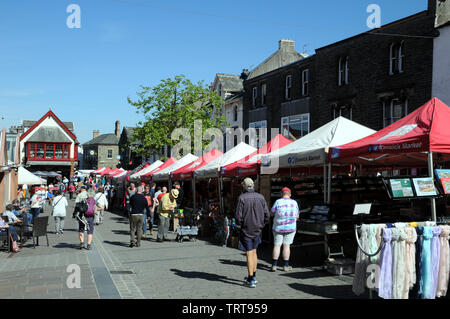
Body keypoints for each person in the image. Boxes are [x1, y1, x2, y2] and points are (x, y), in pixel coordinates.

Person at [235, 178, 270, 288]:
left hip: (246, 229)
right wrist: (261, 224)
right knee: (254, 252)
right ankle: (253, 276)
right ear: (253, 186)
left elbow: (238, 216)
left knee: (249, 253)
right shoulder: (261, 197)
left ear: (244, 186)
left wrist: (239, 227)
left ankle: (251, 279)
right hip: (257, 228)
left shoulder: (242, 198)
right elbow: (267, 215)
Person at [270, 187, 299, 272]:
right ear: (290, 194)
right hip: (290, 228)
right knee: (286, 246)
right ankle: (286, 266)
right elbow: (297, 216)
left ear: (281, 194)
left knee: (277, 245)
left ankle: (274, 265)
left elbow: (272, 213)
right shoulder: (294, 202)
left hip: (278, 228)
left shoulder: (278, 202)